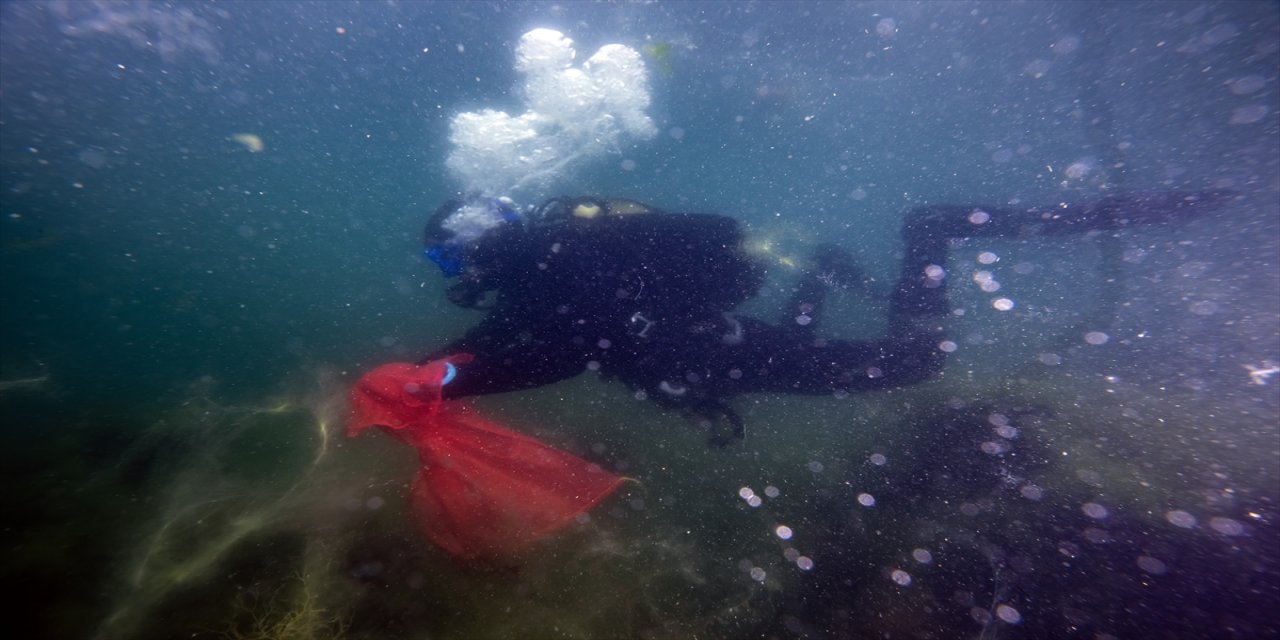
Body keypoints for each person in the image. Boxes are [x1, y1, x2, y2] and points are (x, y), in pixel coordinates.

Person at [417, 192, 1227, 445]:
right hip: (719, 350)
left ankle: (932, 231)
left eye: (449, 260)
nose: (454, 276)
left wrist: (448, 384)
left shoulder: (556, 264)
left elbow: (562, 348)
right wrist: (442, 367)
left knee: (913, 362)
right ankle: (822, 271)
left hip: (720, 352)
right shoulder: (549, 265)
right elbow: (522, 334)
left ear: (476, 244)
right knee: (814, 347)